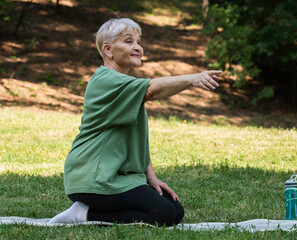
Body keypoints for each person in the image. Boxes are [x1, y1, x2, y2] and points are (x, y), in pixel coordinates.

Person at [48, 18, 222, 226]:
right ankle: (84, 213)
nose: (137, 47)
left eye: (139, 42)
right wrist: (191, 79)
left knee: (175, 210)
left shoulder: (126, 86)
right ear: (108, 50)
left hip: (116, 175)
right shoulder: (106, 81)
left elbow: (134, 139)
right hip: (93, 177)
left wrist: (152, 177)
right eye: (129, 41)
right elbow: (152, 88)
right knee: (163, 214)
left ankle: (88, 209)